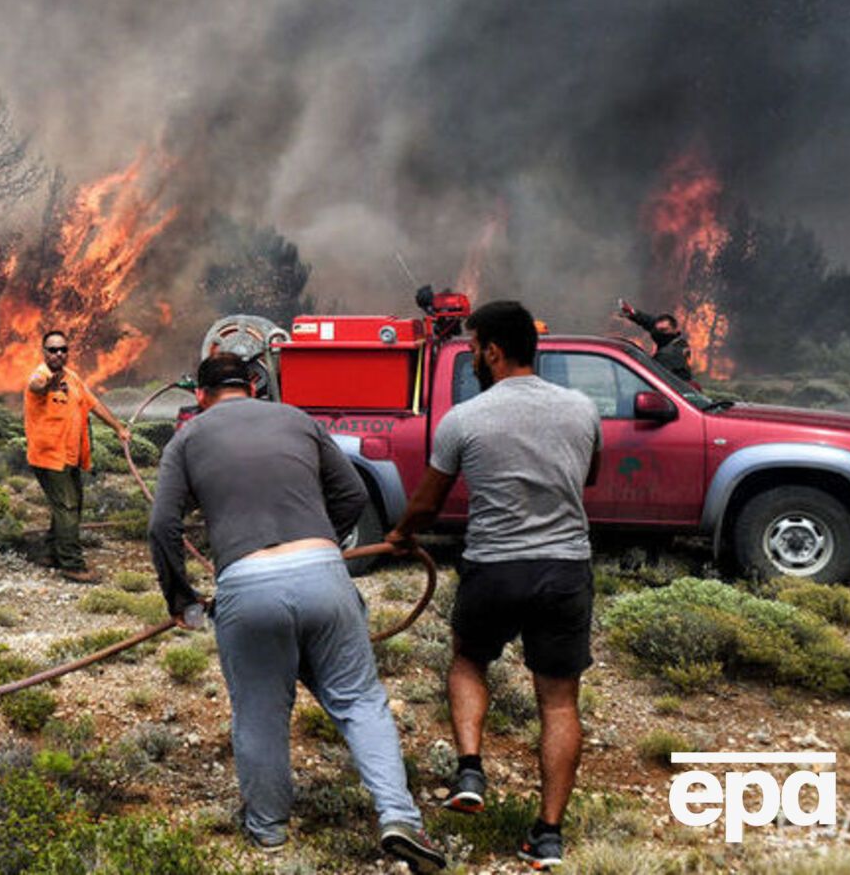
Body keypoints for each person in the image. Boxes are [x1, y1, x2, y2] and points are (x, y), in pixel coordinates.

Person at [148, 354, 445, 872]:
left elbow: (162, 527)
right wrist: (322, 543)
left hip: (245, 585)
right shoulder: (296, 418)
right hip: (324, 574)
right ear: (255, 387)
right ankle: (399, 816)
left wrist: (183, 601)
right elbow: (351, 493)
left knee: (261, 712)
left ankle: (268, 831)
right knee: (360, 701)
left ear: (201, 395)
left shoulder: (188, 439)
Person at [385, 301, 600, 871]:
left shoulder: (465, 418)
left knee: (467, 661)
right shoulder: (581, 409)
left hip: (495, 567)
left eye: (475, 346)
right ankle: (547, 836)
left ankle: (470, 768)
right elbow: (590, 475)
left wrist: (402, 533)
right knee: (558, 702)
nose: (474, 357)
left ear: (494, 351)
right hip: (564, 569)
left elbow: (428, 504)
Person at [24, 329, 131, 584]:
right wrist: (49, 383)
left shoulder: (72, 379)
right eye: (53, 349)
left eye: (63, 349)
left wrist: (118, 428)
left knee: (68, 506)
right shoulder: (41, 375)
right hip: (49, 457)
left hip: (70, 456)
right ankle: (72, 565)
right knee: (68, 506)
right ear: (44, 352)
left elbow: (94, 405)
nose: (58, 354)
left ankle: (51, 553)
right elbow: (35, 385)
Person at [615, 299, 693, 382]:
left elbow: (651, 378)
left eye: (664, 330)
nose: (660, 333)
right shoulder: (677, 340)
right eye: (658, 330)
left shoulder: (667, 355)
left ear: (675, 329)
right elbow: (651, 322)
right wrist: (633, 313)